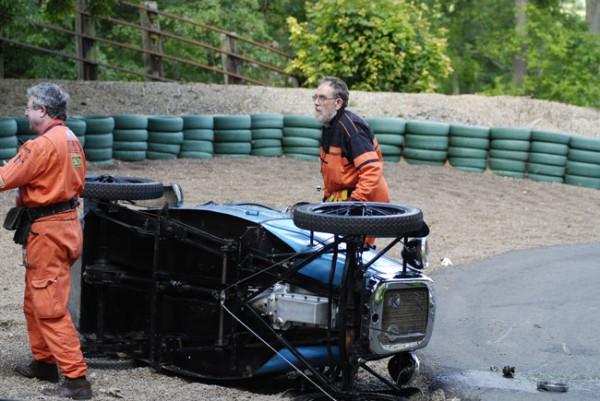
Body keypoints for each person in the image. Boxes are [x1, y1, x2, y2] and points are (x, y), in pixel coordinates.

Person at [1, 83, 92, 399]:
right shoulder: (71, 139)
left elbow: (4, 178)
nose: (25, 111)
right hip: (65, 226)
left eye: (28, 106)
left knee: (50, 306)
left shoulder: (40, 146)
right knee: (35, 300)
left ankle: (76, 380)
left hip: (48, 231)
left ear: (42, 110)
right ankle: (44, 361)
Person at [314, 76, 390, 203]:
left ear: (338, 103)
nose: (316, 102)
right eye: (315, 97)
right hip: (344, 199)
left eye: (322, 98)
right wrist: (327, 199)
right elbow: (332, 173)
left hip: (369, 205)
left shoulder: (352, 130)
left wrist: (355, 202)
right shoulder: (329, 126)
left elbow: (372, 169)